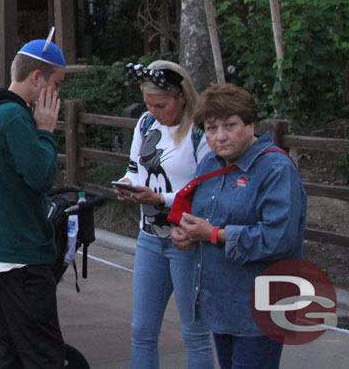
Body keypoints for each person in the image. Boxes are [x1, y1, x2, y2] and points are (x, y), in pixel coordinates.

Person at [171, 84, 307, 369]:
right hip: (221, 303)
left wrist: (215, 234)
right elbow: (203, 218)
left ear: (250, 124)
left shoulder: (276, 169)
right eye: (210, 128)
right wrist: (188, 234)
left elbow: (278, 238)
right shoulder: (208, 163)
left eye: (230, 125)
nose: (220, 137)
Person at [0, 36, 67, 368]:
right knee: (43, 353)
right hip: (19, 254)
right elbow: (41, 176)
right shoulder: (14, 117)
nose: (57, 93)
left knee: (11, 348)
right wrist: (45, 131)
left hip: (0, 249)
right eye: (56, 83)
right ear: (37, 78)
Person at [115, 61, 213, 368]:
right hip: (149, 238)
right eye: (148, 104)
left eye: (161, 105)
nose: (154, 111)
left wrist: (160, 198)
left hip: (187, 241)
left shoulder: (200, 132)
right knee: (142, 330)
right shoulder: (145, 124)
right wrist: (127, 186)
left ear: (182, 97)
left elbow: (207, 191)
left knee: (195, 334)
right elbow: (134, 170)